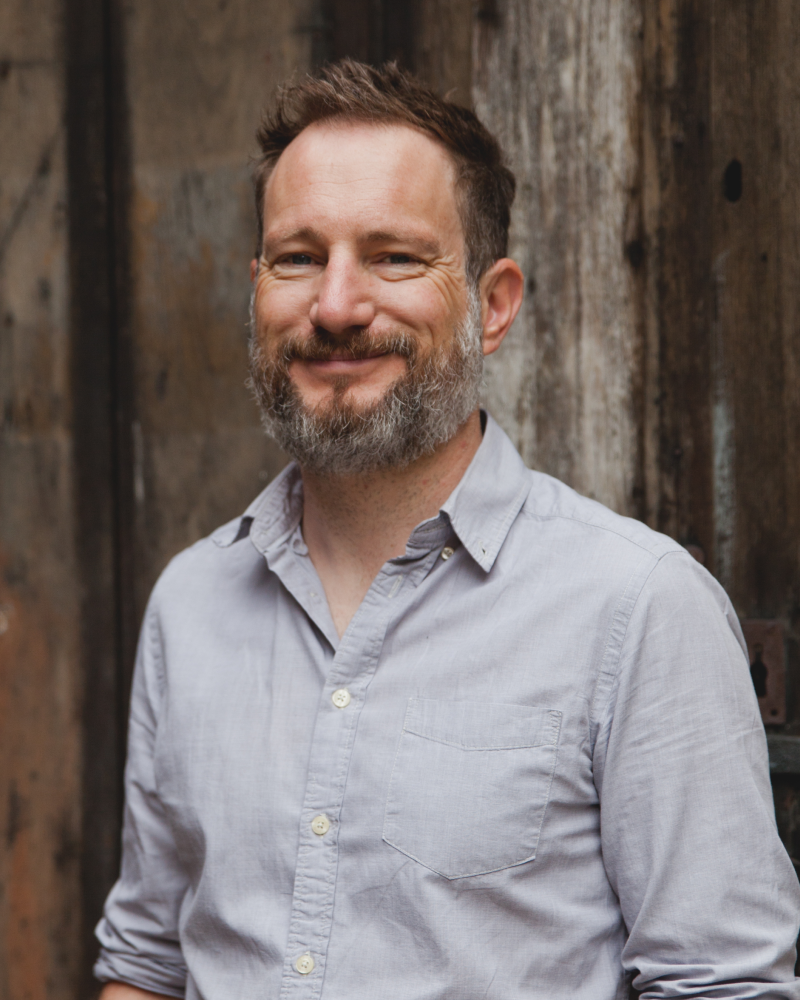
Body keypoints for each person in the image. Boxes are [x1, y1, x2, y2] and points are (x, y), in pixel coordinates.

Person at [94, 60, 800, 1000]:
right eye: (298, 258)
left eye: (394, 257)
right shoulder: (190, 601)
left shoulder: (637, 607)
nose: (337, 307)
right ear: (257, 289)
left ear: (493, 304)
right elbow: (146, 963)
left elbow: (724, 985)